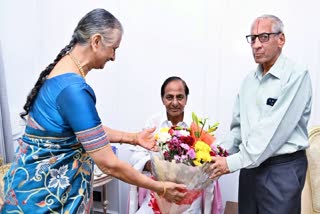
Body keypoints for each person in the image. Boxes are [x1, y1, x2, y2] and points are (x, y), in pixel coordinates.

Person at [1, 9, 186, 213]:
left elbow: (86, 132)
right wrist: (160, 188)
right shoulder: (73, 89)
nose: (114, 57)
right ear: (96, 41)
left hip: (28, 194)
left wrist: (134, 138)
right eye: (113, 48)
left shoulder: (62, 75)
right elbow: (109, 164)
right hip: (44, 202)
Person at [210, 15, 312, 214]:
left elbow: (272, 131)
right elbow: (238, 130)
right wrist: (214, 154)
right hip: (250, 168)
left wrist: (230, 163)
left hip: (281, 169)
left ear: (280, 39)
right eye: (253, 38)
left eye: (264, 37)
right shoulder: (249, 81)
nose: (256, 45)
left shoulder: (297, 75)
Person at [129, 76, 223, 214]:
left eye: (179, 97)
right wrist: (153, 165)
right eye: (169, 97)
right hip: (157, 194)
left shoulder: (198, 126)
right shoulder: (153, 123)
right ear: (162, 99)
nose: (174, 102)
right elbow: (135, 157)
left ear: (186, 99)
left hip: (188, 199)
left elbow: (216, 154)